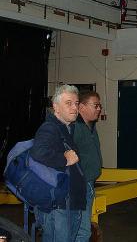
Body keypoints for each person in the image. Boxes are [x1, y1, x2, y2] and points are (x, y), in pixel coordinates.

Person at [30, 85, 86, 242]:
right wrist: (64, 159)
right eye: (68, 103)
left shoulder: (66, 128)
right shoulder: (50, 127)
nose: (74, 107)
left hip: (69, 202)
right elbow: (38, 152)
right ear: (56, 107)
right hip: (60, 205)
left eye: (76, 103)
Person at [74, 91, 103, 242]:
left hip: (89, 183)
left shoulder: (90, 126)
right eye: (95, 105)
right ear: (82, 107)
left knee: (82, 228)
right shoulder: (75, 128)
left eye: (100, 106)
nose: (99, 109)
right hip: (81, 185)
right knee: (83, 231)